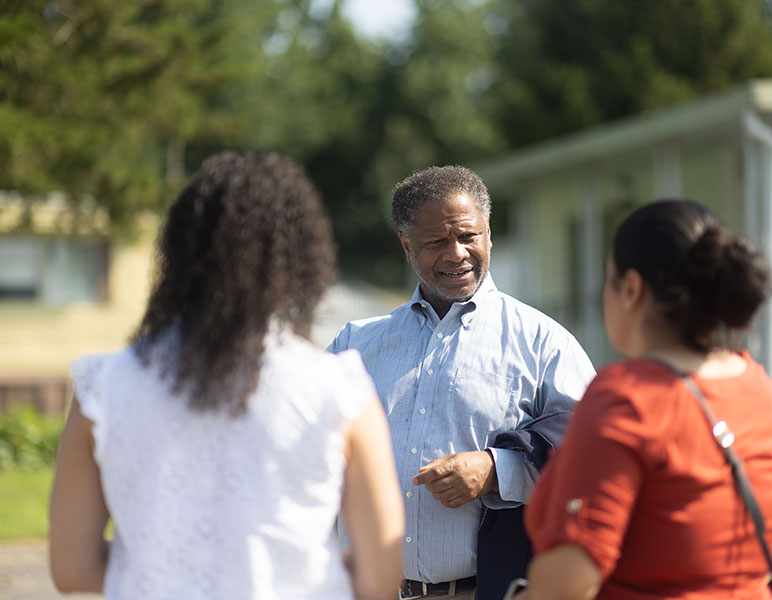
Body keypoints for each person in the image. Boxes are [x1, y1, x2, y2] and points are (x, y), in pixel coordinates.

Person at [48, 151, 404, 600]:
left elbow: (72, 571)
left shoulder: (102, 387)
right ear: (298, 258)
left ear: (178, 251)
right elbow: (380, 578)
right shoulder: (339, 388)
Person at [327, 165, 596, 600]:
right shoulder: (354, 345)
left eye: (468, 236)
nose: (456, 254)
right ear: (406, 245)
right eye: (435, 242)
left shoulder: (544, 344)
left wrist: (498, 470)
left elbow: (596, 455)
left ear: (488, 233)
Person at [519, 199, 772, 600]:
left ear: (630, 289)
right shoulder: (760, 387)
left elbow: (570, 578)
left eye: (607, 278)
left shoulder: (627, 396)